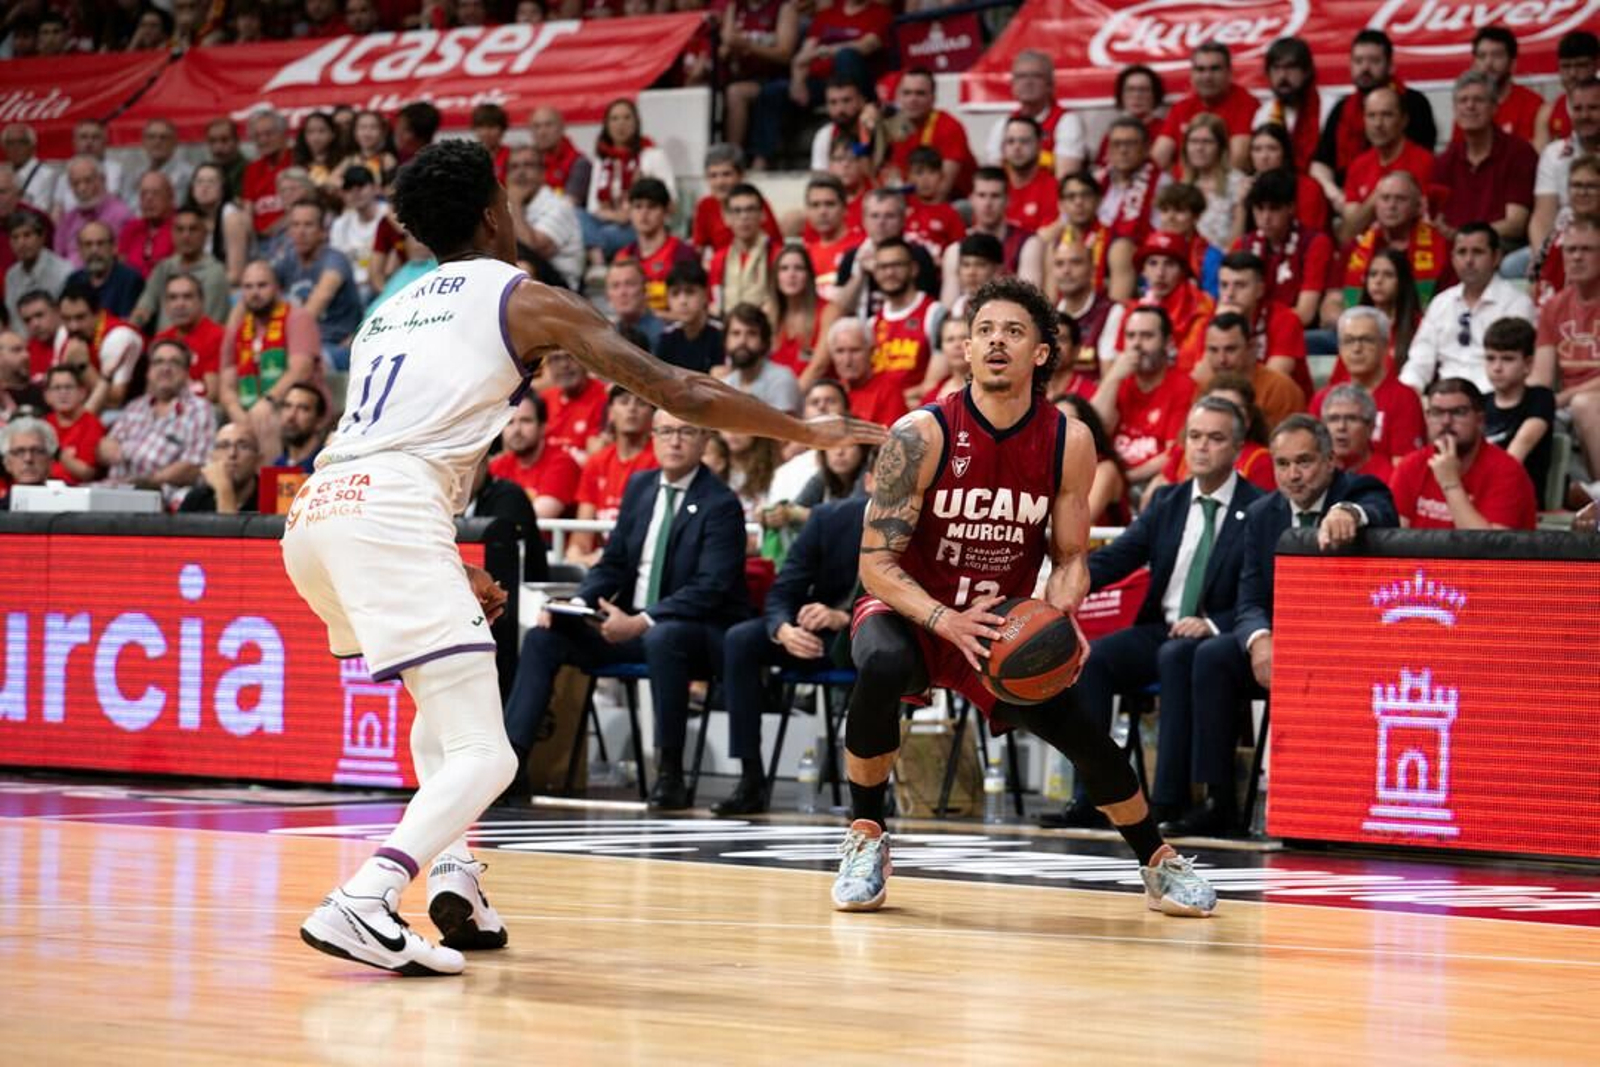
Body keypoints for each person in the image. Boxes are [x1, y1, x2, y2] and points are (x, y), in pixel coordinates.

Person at [283, 140, 882, 977]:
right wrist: (806, 431)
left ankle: (456, 878)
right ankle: (364, 897)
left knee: (441, 709)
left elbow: (391, 444)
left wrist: (447, 559)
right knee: (486, 753)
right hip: (388, 509)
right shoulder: (521, 297)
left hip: (319, 511)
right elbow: (678, 390)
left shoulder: (391, 308)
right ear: (496, 211)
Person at [838, 276, 1218, 916]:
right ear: (963, 348)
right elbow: (875, 564)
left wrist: (1061, 613)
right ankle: (866, 837)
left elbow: (1070, 557)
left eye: (1013, 332)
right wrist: (943, 619)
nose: (995, 343)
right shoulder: (920, 434)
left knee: (1087, 737)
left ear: (1042, 352)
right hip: (914, 607)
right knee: (878, 663)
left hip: (999, 625)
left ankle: (1158, 862)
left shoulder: (1069, 442)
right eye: (983, 330)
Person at [503, 406, 750, 807]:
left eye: (685, 431)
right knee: (544, 636)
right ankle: (512, 766)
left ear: (705, 440)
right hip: (629, 623)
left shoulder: (720, 503)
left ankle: (669, 773)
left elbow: (711, 587)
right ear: (652, 437)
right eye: (665, 431)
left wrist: (642, 621)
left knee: (663, 638)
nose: (674, 440)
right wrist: (578, 604)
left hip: (695, 631)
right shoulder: (640, 487)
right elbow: (614, 563)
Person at [1044, 394, 1264, 829]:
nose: (1202, 447)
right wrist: (1063, 580)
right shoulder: (1168, 502)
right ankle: (1093, 794)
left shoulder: (1258, 508)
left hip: (1221, 635)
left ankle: (1167, 802)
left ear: (1238, 448)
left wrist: (1214, 623)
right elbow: (1116, 558)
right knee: (1094, 659)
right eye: (1195, 437)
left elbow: (1259, 589)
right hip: (1162, 627)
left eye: (1215, 439)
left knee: (1178, 655)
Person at [1173, 415, 1397, 836]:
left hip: (1349, 644)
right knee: (1213, 656)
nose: (1292, 475)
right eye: (1282, 464)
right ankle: (1219, 800)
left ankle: (1332, 806)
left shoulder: (1357, 491)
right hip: (1286, 644)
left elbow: (1381, 508)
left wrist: (1348, 513)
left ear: (1330, 461)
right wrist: (1260, 641)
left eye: (1304, 462)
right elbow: (1251, 598)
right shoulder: (1262, 513)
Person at [716, 486, 867, 817]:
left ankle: (870, 790)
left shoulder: (924, 524)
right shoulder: (829, 518)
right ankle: (750, 779)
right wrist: (783, 630)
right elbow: (783, 590)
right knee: (741, 639)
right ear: (869, 482)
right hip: (818, 635)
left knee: (883, 652)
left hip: (873, 635)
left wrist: (845, 618)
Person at [1401, 224, 1535, 394]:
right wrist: (1407, 396)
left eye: (1477, 252)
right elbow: (1419, 362)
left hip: (1494, 397)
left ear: (1496, 257)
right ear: (1452, 258)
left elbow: (1516, 368)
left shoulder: (1517, 303)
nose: (1469, 260)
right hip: (1443, 398)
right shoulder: (1441, 302)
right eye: (1462, 252)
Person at [1390, 378, 1538, 530]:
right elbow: (1393, 537)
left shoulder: (1507, 471)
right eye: (1437, 412)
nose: (1446, 421)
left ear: (1479, 420)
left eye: (1458, 412)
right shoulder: (1411, 465)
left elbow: (1489, 548)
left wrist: (1451, 484)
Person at [1310, 29, 1437, 198]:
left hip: (1400, 196)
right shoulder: (1342, 107)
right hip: (1348, 198)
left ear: (1390, 65)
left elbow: (1421, 160)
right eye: (1358, 61)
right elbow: (1321, 163)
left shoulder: (1412, 102)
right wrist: (1338, 197)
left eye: (1374, 61)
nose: (1365, 68)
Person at [221, 261, 323, 458]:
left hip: (295, 407)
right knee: (231, 435)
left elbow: (300, 369)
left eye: (262, 285)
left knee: (267, 418)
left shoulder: (298, 317)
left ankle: (270, 483)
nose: (255, 293)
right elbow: (226, 385)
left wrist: (268, 401)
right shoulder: (239, 328)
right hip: (250, 411)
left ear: (278, 288)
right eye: (248, 287)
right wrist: (238, 414)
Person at [97, 338, 214, 503]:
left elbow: (193, 467)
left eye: (175, 362)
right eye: (158, 362)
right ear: (149, 371)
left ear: (187, 372)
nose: (165, 368)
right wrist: (105, 447)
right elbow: (107, 447)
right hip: (114, 489)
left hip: (163, 495)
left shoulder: (200, 410)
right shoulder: (134, 407)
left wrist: (148, 482)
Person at [1093, 304, 1196, 487]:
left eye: (1147, 336)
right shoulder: (1119, 380)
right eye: (1131, 336)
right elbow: (1094, 430)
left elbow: (1173, 453)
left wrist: (1126, 478)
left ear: (1168, 342)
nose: (1137, 344)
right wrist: (1112, 379)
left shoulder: (1183, 386)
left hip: (1150, 480)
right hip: (1109, 475)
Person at [1433, 71, 1537, 249]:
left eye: (1478, 100)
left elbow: (1515, 224)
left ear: (1495, 108)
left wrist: (1463, 236)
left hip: (1501, 248)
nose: (1470, 106)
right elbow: (1437, 221)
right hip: (1455, 251)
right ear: (1455, 110)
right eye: (1463, 101)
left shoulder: (1519, 153)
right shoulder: (1445, 161)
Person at [1535, 215, 1600, 491]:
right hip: (1568, 404)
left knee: (1585, 405)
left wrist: (1563, 398)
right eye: (1570, 250)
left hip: (1585, 400)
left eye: (1586, 249)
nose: (1576, 257)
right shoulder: (1554, 306)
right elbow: (1541, 375)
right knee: (1527, 413)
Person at [1312, 306, 1425, 464]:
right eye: (1349, 341)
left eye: (1366, 340)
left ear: (1385, 346)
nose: (1357, 349)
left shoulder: (1404, 398)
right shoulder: (1323, 398)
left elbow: (1404, 469)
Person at [567, 385, 659, 566]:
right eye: (624, 402)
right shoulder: (597, 462)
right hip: (604, 562)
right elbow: (582, 532)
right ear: (610, 412)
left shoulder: (660, 460)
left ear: (653, 414)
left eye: (641, 403)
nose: (632, 408)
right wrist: (578, 555)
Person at [1336, 87, 1436, 245]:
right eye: (1371, 116)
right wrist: (1379, 193)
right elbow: (1348, 233)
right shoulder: (1358, 165)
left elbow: (1430, 222)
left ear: (1404, 120)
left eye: (1386, 115)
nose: (1378, 124)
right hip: (1368, 256)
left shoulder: (1425, 162)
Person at [273, 199, 363, 369]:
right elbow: (259, 282)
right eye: (295, 225)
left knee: (300, 364)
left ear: (322, 232)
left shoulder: (335, 261)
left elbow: (315, 306)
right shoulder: (288, 259)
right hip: (301, 342)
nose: (301, 232)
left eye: (308, 225)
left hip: (335, 347)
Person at [982, 49, 1088, 177]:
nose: (1028, 82)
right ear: (1012, 84)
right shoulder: (1003, 124)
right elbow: (993, 178)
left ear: (1050, 84)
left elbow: (1066, 180)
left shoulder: (1066, 121)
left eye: (1036, 76)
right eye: (1021, 76)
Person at [1152, 42, 1256, 171]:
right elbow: (1159, 156)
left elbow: (1238, 160)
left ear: (1229, 73)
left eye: (1215, 69)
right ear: (1192, 74)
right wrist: (1181, 178)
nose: (1207, 77)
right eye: (1200, 69)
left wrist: (1205, 181)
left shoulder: (1246, 103)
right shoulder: (1182, 106)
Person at [1482, 316, 1554, 495]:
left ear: (1528, 364)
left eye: (1507, 359)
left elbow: (1518, 451)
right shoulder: (1479, 402)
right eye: (1490, 358)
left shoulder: (1540, 398)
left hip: (1520, 497)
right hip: (1481, 492)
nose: (1497, 367)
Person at [1195, 311, 1303, 430]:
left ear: (1251, 347)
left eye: (1230, 349)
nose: (1222, 359)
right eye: (1213, 350)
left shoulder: (1280, 388)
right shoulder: (1204, 389)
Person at [131, 207, 230, 332]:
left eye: (193, 229)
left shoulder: (215, 273)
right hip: (161, 345)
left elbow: (210, 324)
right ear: (172, 234)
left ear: (205, 234)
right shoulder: (163, 267)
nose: (186, 235)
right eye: (180, 229)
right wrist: (131, 328)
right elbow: (144, 307)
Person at [885, 67, 976, 200]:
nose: (912, 99)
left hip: (957, 201)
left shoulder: (949, 126)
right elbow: (896, 178)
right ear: (898, 97)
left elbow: (943, 188)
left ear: (933, 98)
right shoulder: (895, 127)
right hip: (915, 202)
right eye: (907, 93)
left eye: (920, 93)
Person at [504, 144, 583, 291]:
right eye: (514, 167)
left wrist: (515, 203)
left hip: (563, 289)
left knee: (523, 268)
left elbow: (533, 248)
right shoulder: (504, 206)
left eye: (528, 165)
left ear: (542, 173)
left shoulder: (558, 206)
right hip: (526, 279)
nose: (520, 172)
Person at [488, 394, 581, 519]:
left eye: (526, 421)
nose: (517, 430)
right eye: (509, 422)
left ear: (543, 427)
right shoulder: (497, 466)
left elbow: (537, 516)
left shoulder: (563, 464)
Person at [615, 178, 697, 315]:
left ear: (666, 210)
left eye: (652, 206)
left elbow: (691, 308)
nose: (644, 213)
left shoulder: (682, 253)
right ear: (629, 211)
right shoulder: (623, 256)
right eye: (638, 206)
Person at [151, 272, 224, 401]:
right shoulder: (161, 339)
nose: (180, 304)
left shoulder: (217, 335)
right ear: (166, 305)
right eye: (173, 298)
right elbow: (151, 388)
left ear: (201, 302)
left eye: (187, 297)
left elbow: (211, 394)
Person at [1251, 37, 1320, 171]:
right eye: (1276, 68)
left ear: (1306, 72)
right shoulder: (1264, 113)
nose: (1283, 76)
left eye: (1291, 68)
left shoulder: (1327, 108)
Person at [720, 302, 800, 414]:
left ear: (764, 342)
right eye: (736, 333)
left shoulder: (781, 379)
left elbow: (782, 430)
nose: (742, 341)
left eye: (752, 334)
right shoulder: (725, 385)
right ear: (725, 341)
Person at [831, 315, 905, 427]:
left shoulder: (889, 392)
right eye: (840, 351)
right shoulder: (829, 392)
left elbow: (893, 441)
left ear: (871, 352)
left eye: (855, 351)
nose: (847, 360)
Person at [65, 222, 144, 320]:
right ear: (80, 250)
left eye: (100, 243)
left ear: (114, 247)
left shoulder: (130, 280)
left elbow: (126, 324)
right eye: (88, 244)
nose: (94, 250)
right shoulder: (74, 280)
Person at [5, 211, 69, 331]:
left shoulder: (64, 272)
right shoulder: (11, 275)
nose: (21, 243)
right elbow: (12, 318)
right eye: (15, 237)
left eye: (27, 235)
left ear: (41, 237)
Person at [655, 262, 724, 374]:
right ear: (668, 299)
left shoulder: (721, 334)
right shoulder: (666, 337)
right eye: (675, 294)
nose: (683, 301)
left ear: (705, 295)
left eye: (690, 292)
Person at [1536, 30, 1599, 151]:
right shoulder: (1548, 113)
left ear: (1596, 64)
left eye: (1581, 65)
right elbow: (1539, 159)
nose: (1572, 74)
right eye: (1566, 66)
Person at [180, 423, 262, 514]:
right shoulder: (196, 499)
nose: (232, 454)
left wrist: (223, 488)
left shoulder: (275, 497)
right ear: (213, 457)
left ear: (258, 460)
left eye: (243, 446)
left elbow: (230, 529)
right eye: (224, 446)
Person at [1320, 383, 1393, 483]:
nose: (1341, 427)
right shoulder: (1315, 473)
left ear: (1370, 427)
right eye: (1334, 419)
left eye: (1351, 419)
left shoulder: (1387, 477)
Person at [41, 365, 101, 484]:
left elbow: (86, 472)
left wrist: (56, 453)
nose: (63, 393)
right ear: (47, 396)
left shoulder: (92, 425)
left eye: (68, 387)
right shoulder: (43, 424)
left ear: (82, 393)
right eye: (57, 388)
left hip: (75, 491)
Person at [118, 172, 176, 280]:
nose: (148, 199)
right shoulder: (131, 228)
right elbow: (120, 269)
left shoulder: (181, 228)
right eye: (144, 194)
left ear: (170, 197)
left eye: (156, 193)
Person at [273, 382, 327, 473]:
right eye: (287, 406)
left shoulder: (328, 465)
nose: (291, 416)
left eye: (303, 408)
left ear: (319, 421)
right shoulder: (276, 466)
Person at [0, 414, 52, 506]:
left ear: (50, 459)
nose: (28, 459)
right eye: (19, 452)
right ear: (7, 463)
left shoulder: (75, 501)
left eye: (36, 451)